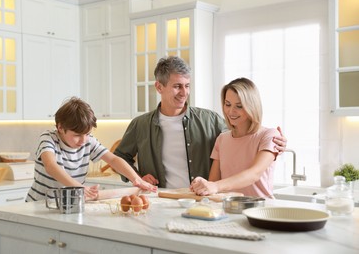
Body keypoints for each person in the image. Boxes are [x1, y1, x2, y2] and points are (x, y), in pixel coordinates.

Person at [114, 56, 287, 188]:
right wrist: (137, 177)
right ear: (159, 87)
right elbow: (120, 157)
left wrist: (275, 142)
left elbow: (242, 134)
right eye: (177, 86)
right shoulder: (141, 124)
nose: (184, 92)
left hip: (200, 200)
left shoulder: (209, 119)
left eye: (187, 85)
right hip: (161, 200)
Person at [26, 97, 156, 202]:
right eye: (77, 135)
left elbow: (114, 159)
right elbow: (51, 166)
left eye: (87, 134)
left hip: (70, 205)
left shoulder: (88, 141)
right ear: (60, 127)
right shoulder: (48, 139)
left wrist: (136, 179)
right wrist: (79, 187)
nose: (83, 140)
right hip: (39, 205)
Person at [190, 78, 280, 198]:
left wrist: (215, 186)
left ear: (252, 106)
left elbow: (254, 174)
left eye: (239, 106)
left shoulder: (269, 135)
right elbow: (214, 183)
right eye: (228, 104)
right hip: (229, 210)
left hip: (261, 211)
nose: (231, 111)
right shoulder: (222, 139)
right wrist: (204, 184)